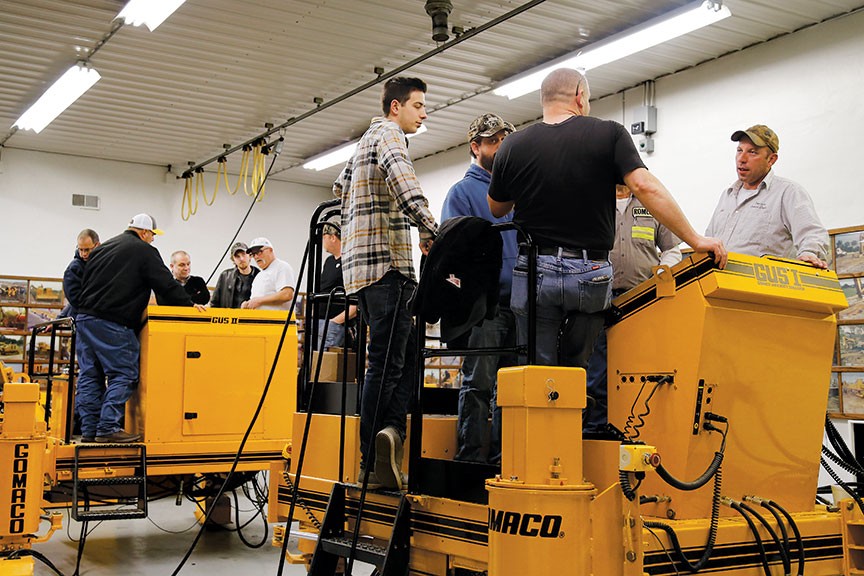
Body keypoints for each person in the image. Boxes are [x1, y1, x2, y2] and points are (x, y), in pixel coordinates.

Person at [487, 68, 725, 370]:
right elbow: (644, 186)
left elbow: (496, 207)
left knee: (537, 372)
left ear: (543, 100)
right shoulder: (608, 133)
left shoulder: (513, 145)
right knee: (578, 372)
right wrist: (696, 239)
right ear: (579, 96)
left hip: (536, 271)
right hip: (590, 271)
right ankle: (577, 411)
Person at [335, 76, 438, 490]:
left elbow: (340, 187)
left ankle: (387, 442)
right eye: (418, 106)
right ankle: (372, 457)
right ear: (396, 107)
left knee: (397, 361)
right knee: (388, 363)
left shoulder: (364, 142)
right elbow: (406, 187)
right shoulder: (391, 136)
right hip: (389, 266)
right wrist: (434, 230)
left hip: (362, 270)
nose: (424, 113)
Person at [76, 213, 204, 443]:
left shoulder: (104, 248)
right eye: (152, 235)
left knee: (90, 375)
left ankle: (89, 430)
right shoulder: (144, 251)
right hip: (113, 322)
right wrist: (189, 306)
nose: (153, 240)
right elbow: (165, 283)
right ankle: (107, 428)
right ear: (144, 232)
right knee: (124, 373)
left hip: (85, 319)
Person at [441, 113, 518, 464]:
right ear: (476, 147)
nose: (501, 147)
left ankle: (506, 459)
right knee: (478, 385)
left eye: (505, 140)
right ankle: (470, 459)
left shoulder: (517, 193)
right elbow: (453, 252)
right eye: (494, 141)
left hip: (518, 305)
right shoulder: (461, 194)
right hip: (484, 308)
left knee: (512, 390)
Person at [583, 184, 682, 433]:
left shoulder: (652, 202)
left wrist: (663, 271)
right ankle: (596, 430)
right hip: (599, 299)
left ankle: (638, 428)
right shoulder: (592, 201)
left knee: (640, 369)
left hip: (641, 300)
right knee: (597, 370)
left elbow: (672, 248)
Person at [705, 124, 829, 268]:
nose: (742, 159)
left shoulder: (788, 192)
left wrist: (809, 254)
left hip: (761, 286)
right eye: (739, 150)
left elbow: (813, 233)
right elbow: (709, 240)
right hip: (719, 285)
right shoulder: (727, 195)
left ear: (771, 160)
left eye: (752, 152)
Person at [316, 223, 356, 350]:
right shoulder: (329, 262)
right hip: (320, 321)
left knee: (328, 365)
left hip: (336, 324)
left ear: (333, 237)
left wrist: (335, 321)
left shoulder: (350, 260)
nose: (322, 241)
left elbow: (355, 296)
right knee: (314, 362)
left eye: (324, 237)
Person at [241, 238, 296, 310]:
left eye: (259, 252)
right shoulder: (259, 276)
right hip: (260, 320)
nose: (256, 257)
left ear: (270, 250)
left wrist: (259, 301)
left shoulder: (282, 267)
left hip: (278, 320)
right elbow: (256, 301)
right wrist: (248, 304)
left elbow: (287, 294)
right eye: (253, 254)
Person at [60, 228, 100, 319]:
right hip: (85, 318)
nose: (83, 254)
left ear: (97, 245)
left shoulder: (101, 264)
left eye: (87, 250)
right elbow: (75, 301)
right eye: (80, 250)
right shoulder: (74, 269)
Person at [210, 242, 260, 308]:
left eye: (243, 254)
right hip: (229, 317)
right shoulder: (225, 276)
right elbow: (214, 303)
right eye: (237, 256)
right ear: (233, 260)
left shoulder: (259, 276)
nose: (241, 259)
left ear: (250, 256)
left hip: (251, 317)